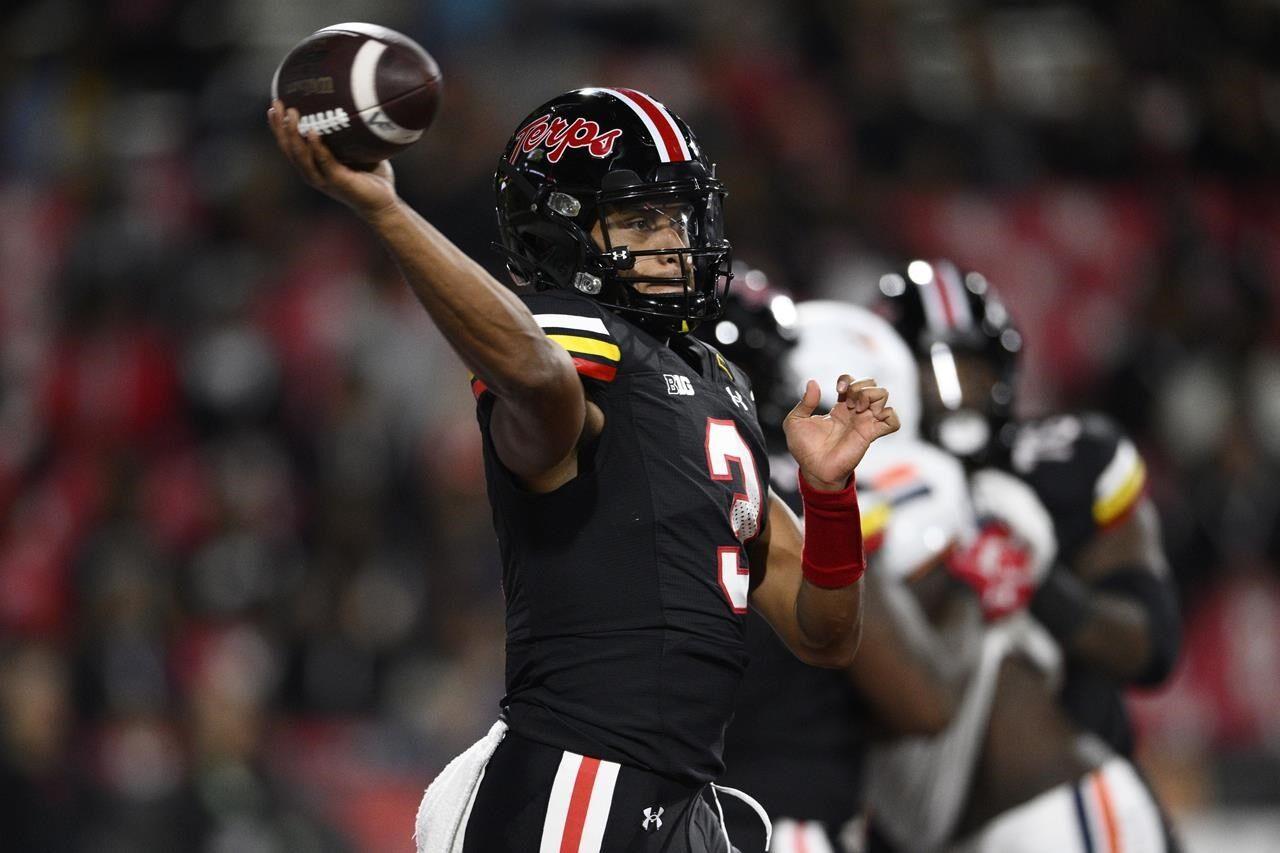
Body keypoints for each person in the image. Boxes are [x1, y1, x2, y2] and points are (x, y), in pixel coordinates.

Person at [268, 87, 899, 853]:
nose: (673, 239)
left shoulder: (711, 385)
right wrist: (387, 211)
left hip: (681, 793)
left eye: (677, 214)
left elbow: (824, 632)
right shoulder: (573, 347)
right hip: (582, 776)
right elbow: (536, 376)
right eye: (640, 219)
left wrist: (829, 495)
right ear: (563, 235)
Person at [864, 259, 1182, 851]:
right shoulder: (856, 491)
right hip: (918, 822)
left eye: (971, 369)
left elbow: (1150, 646)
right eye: (928, 371)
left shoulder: (1061, 465)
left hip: (1055, 798)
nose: (951, 394)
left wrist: (1040, 584)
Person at [704, 287, 980, 853]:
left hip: (657, 813)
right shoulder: (791, 492)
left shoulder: (641, 475)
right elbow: (923, 703)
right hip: (781, 822)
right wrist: (969, 596)